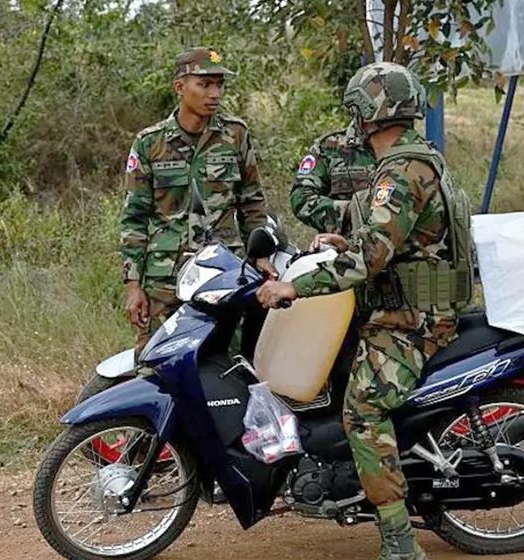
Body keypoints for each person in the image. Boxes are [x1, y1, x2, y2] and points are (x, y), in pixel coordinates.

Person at [258, 62, 474, 560]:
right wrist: (345, 237)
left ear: (366, 115)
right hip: (411, 305)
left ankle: (400, 542)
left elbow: (373, 256)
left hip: (412, 318)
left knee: (363, 410)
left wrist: (295, 286)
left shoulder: (399, 170)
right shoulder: (413, 160)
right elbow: (391, 238)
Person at [120, 47, 273, 353]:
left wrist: (261, 257)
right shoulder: (150, 143)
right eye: (205, 84)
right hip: (166, 279)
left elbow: (251, 202)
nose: (214, 93)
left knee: (228, 363)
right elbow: (134, 217)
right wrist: (133, 285)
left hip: (224, 273)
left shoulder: (235, 135)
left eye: (220, 84)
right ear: (180, 87)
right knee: (156, 363)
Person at [290, 100, 379, 234]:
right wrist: (350, 210)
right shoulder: (330, 147)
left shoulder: (409, 149)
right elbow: (301, 197)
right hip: (342, 248)